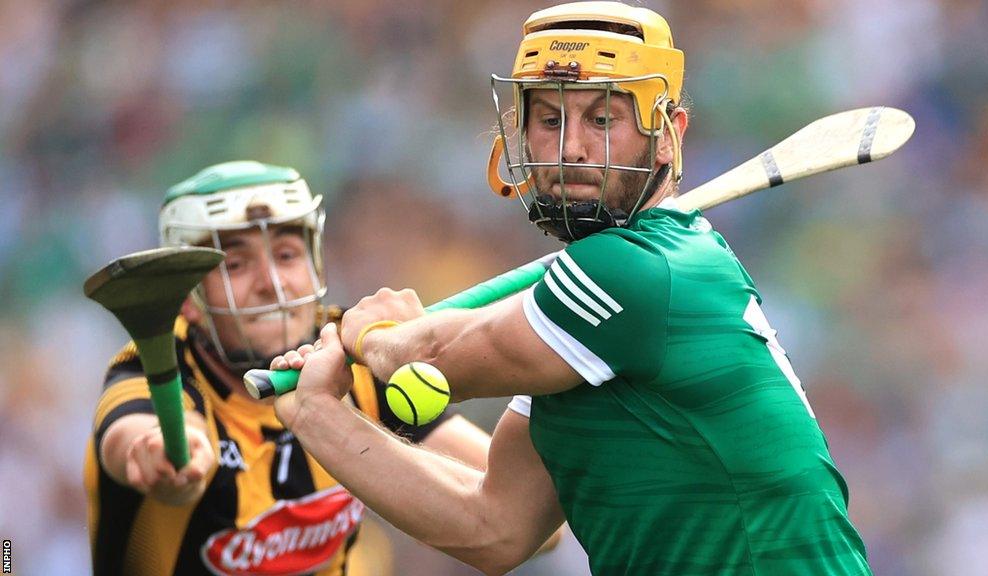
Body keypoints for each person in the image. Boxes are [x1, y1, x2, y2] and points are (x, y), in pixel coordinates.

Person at [271, 2, 873, 576]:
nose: (571, 147)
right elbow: (493, 528)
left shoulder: (639, 270)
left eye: (603, 119)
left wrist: (379, 332)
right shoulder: (575, 323)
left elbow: (428, 356)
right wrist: (317, 414)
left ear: (668, 133)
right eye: (550, 119)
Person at [83, 160, 494, 575]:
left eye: (286, 255)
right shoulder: (151, 368)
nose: (272, 283)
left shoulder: (358, 353)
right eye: (235, 265)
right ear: (187, 298)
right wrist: (164, 454)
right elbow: (134, 436)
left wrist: (449, 353)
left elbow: (516, 511)